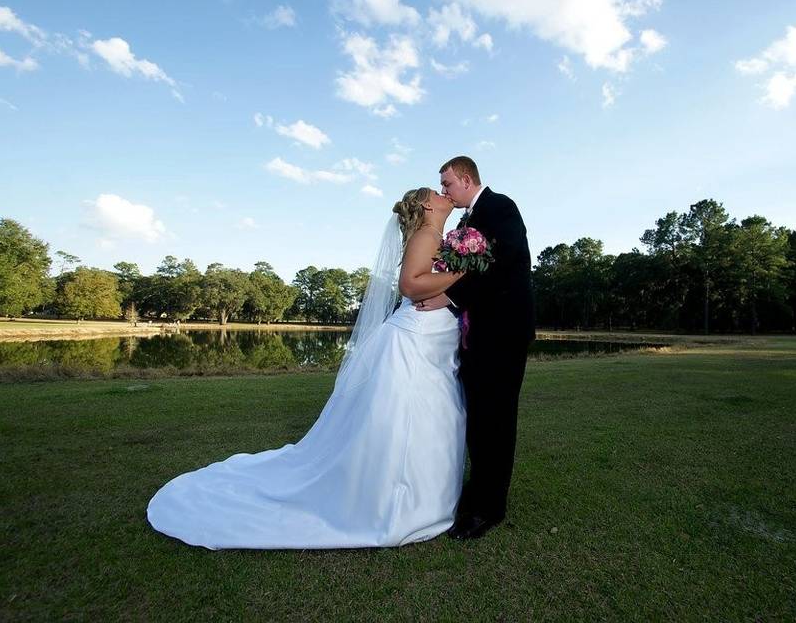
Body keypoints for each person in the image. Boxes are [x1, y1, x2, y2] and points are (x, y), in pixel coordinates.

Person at [147, 187, 467, 549]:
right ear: (426, 205)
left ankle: (420, 494)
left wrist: (454, 282)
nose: (444, 194)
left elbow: (425, 285)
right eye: (437, 192)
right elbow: (411, 285)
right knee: (406, 416)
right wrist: (461, 274)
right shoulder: (426, 234)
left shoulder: (441, 237)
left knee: (427, 414)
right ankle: (396, 502)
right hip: (416, 338)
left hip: (430, 337)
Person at [414, 156, 535, 540]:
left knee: (497, 419)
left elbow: (501, 265)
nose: (444, 191)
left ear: (466, 179)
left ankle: (490, 508)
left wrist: (449, 297)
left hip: (503, 333)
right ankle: (478, 491)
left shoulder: (501, 207)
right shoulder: (467, 221)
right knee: (479, 417)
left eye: (447, 184)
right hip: (476, 334)